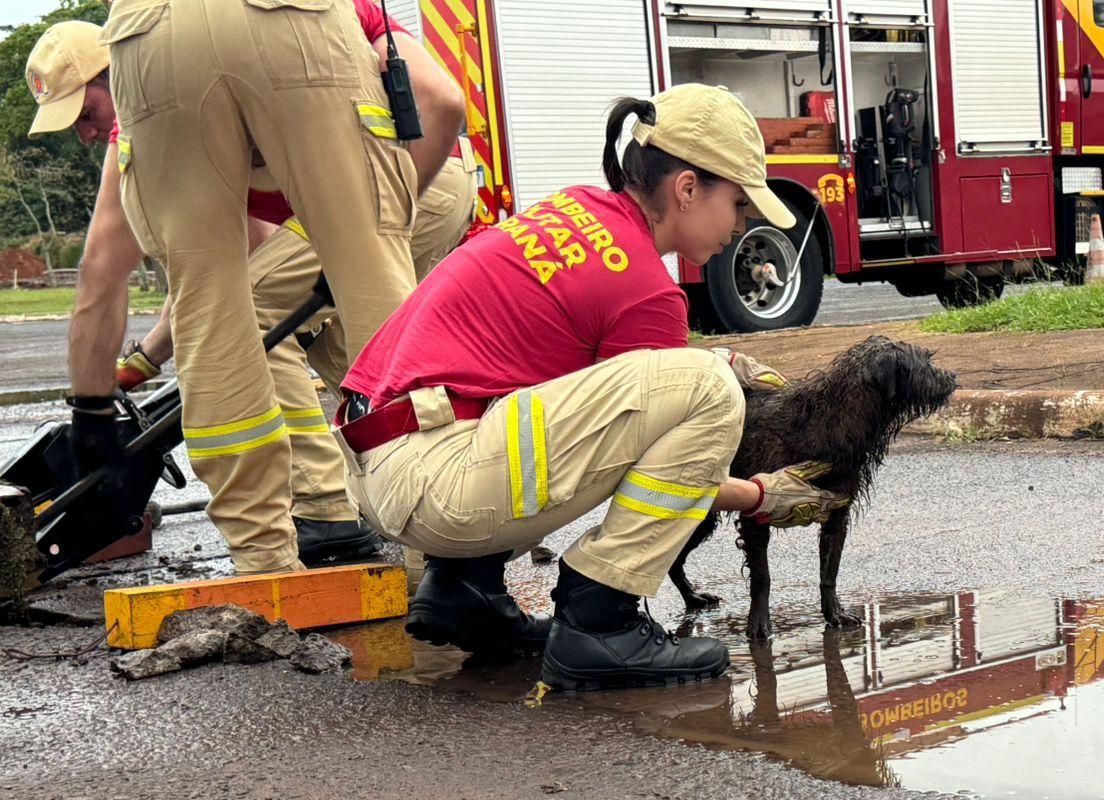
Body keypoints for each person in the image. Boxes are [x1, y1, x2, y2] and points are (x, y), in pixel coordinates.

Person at [338, 84, 851, 689]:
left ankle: (463, 591)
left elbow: (556, 392)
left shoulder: (576, 210)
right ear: (686, 188)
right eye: (739, 204)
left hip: (372, 461)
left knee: (553, 386)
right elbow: (668, 464)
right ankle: (600, 622)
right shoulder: (648, 292)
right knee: (709, 389)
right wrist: (763, 495)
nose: (741, 224)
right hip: (435, 483)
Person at [30, 1, 464, 573]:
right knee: (351, 327)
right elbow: (242, 262)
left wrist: (90, 408)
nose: (86, 135)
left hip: (150, 24)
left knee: (227, 316)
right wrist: (138, 363)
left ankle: (283, 542)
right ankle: (445, 552)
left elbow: (110, 271)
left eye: (85, 112)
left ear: (108, 71)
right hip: (297, 25)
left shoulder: (144, 94)